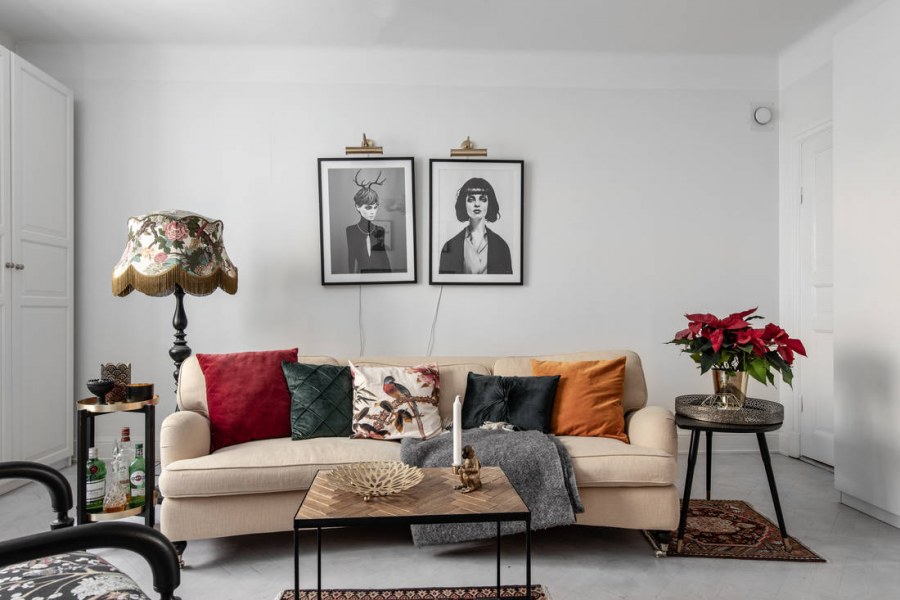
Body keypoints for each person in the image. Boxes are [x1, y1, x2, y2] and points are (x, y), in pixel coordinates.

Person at [438, 177, 512, 275]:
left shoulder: (501, 246)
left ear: (489, 204)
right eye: (471, 199)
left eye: (483, 199)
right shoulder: (450, 246)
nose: (477, 204)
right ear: (464, 204)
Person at [346, 170, 392, 274]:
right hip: (361, 274)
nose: (373, 212)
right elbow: (351, 257)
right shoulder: (351, 230)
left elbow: (383, 256)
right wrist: (351, 277)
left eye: (375, 207)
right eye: (368, 207)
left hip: (380, 274)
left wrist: (390, 276)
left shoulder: (380, 230)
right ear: (357, 207)